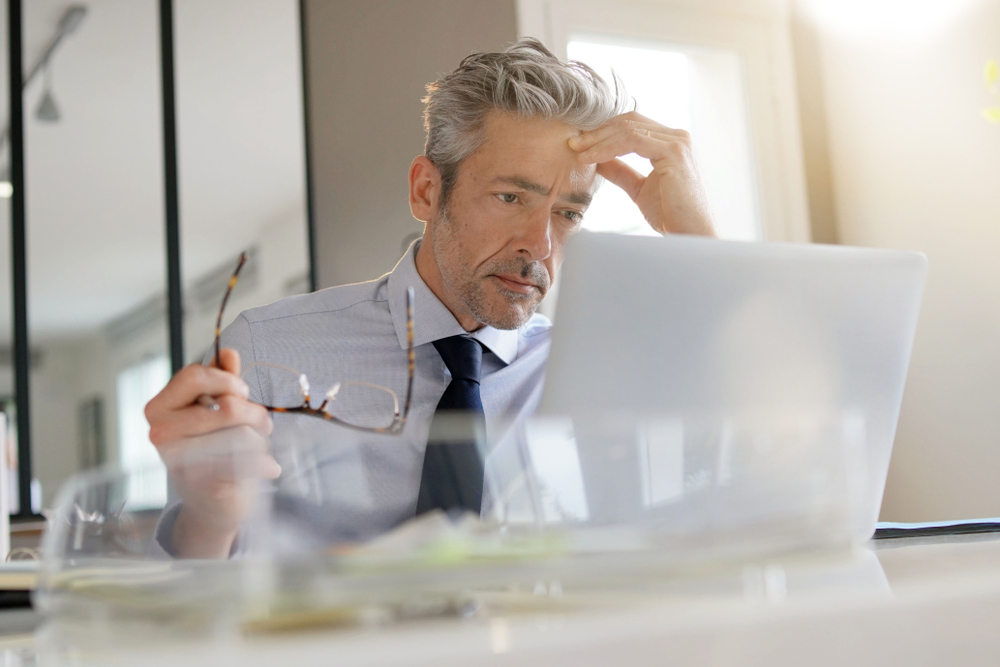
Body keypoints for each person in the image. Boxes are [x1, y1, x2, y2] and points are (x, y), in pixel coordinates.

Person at [144, 38, 716, 558]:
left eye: (568, 213)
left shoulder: (595, 370)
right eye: (512, 196)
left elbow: (759, 476)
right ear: (425, 190)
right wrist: (210, 516)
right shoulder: (265, 352)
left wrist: (699, 242)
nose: (539, 245)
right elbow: (196, 601)